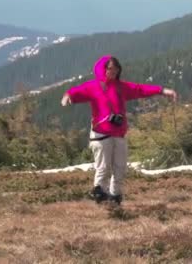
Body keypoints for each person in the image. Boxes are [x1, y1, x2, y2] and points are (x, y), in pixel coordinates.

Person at [61, 55, 177, 205]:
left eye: (116, 69)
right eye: (110, 68)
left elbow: (141, 89)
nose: (114, 71)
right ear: (103, 69)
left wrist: (162, 91)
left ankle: (115, 197)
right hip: (101, 134)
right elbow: (76, 91)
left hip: (119, 133)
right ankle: (100, 194)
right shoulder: (93, 86)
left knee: (120, 168)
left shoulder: (122, 87)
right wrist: (67, 96)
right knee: (103, 167)